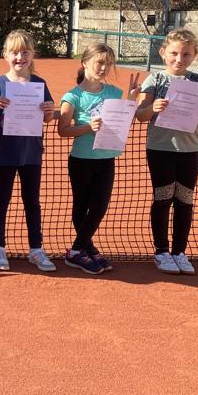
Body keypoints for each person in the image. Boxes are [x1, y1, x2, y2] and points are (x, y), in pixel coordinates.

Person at [135, 28, 198, 275]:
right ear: (163, 53)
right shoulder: (155, 80)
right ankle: (161, 252)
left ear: (194, 55)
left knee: (185, 200)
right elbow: (140, 115)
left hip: (189, 150)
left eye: (186, 54)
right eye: (174, 53)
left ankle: (179, 252)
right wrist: (154, 108)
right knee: (163, 198)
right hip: (160, 149)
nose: (179, 59)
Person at [57, 44, 139, 275]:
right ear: (85, 63)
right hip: (81, 159)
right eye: (100, 62)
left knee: (100, 206)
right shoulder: (73, 96)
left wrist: (131, 100)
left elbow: (123, 121)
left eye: (108, 64)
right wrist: (87, 127)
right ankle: (83, 250)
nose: (104, 68)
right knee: (81, 207)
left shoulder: (114, 92)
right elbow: (62, 130)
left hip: (106, 158)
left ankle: (79, 249)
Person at [0, 29, 57, 272]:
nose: (20, 57)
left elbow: (47, 118)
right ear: (5, 55)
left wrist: (49, 110)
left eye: (25, 52)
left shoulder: (39, 83)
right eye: (15, 52)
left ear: (32, 54)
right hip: (5, 152)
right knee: (1, 200)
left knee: (32, 202)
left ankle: (36, 249)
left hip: (32, 153)